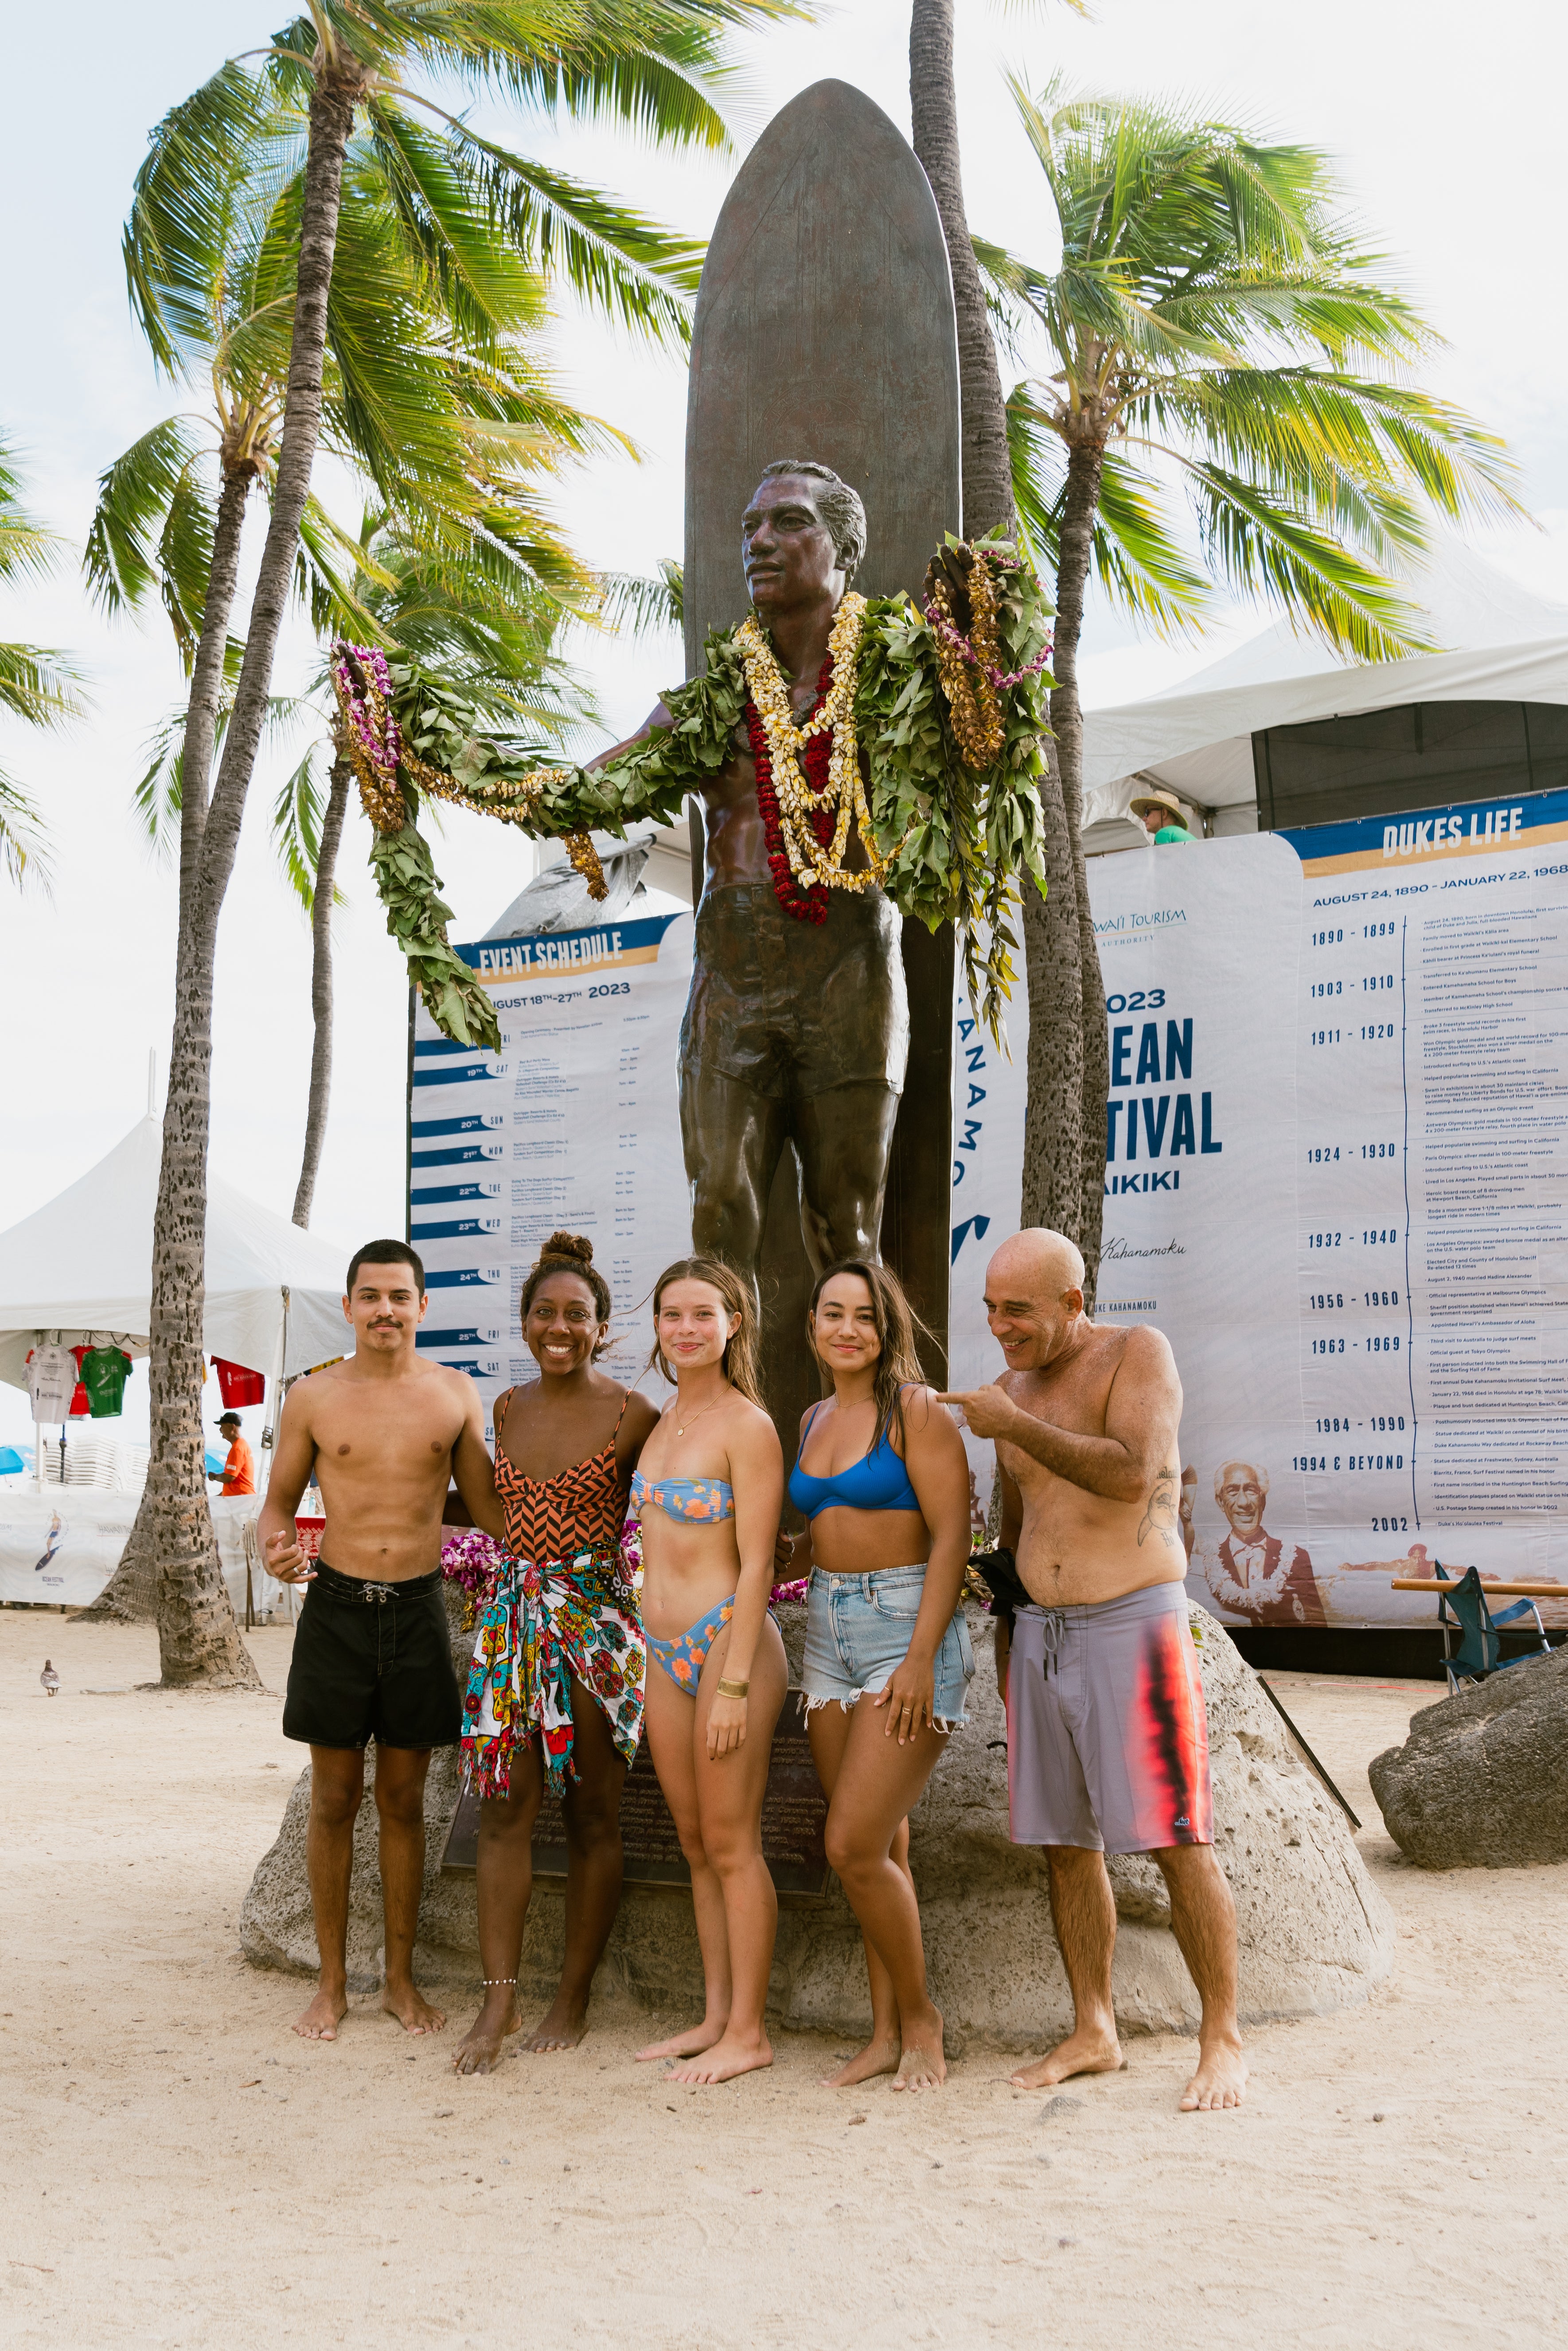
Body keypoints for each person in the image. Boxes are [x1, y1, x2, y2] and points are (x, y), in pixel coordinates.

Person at [939, 1228, 1246, 2113]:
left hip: (1133, 1623)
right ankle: (1093, 2027)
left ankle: (1221, 2035)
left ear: (1073, 1304)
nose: (1001, 1327)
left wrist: (1014, 1423)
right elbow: (1015, 1528)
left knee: (1173, 1835)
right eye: (991, 1309)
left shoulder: (1134, 1354)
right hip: (1040, 1631)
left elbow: (1131, 1472)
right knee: (1061, 1841)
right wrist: (1006, 1641)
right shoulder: (1006, 1392)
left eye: (1019, 1311)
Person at [591, 463, 906, 1293]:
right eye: (747, 527)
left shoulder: (889, 677)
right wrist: (459, 764)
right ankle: (722, 1420)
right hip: (732, 976)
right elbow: (598, 786)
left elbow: (977, 776)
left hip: (848, 969)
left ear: (841, 547)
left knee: (847, 1225)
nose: (758, 543)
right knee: (719, 1209)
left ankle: (875, 1418)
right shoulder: (714, 698)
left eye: (786, 523)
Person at [257, 1239, 503, 2043]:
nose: (386, 1310)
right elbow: (278, 1507)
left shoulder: (454, 1394)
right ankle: (332, 1983)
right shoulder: (313, 1397)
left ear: (423, 1306)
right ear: (351, 1305)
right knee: (333, 1798)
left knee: (402, 1801)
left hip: (418, 1609)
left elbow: (495, 1509)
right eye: (371, 1296)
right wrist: (277, 1544)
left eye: (401, 1296)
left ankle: (398, 1978)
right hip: (335, 1609)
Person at [452, 1234, 659, 2074]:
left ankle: (571, 1993)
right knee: (504, 1808)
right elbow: (492, 1513)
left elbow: (681, 1505)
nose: (559, 1326)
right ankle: (498, 1995)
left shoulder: (633, 1414)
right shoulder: (502, 1410)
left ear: (603, 1327)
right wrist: (521, 1580)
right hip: (510, 1627)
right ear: (526, 1321)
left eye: (577, 1313)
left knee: (590, 1814)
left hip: (594, 1632)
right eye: (545, 1311)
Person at [784, 1260, 972, 2092]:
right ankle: (884, 2029)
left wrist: (922, 1655)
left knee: (850, 1843)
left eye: (864, 1314)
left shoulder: (917, 1411)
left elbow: (950, 1537)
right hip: (826, 1629)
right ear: (814, 1324)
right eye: (833, 1312)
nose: (847, 1328)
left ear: (886, 1326)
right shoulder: (811, 1415)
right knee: (879, 1842)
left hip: (904, 1627)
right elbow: (820, 1524)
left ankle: (923, 2016)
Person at [631, 1256, 787, 2084]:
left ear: (734, 1323)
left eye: (703, 1313)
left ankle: (751, 2030)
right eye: (671, 1313)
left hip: (730, 1647)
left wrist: (729, 1682)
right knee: (694, 1842)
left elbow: (757, 1562)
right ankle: (716, 2013)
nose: (686, 1327)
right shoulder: (663, 1422)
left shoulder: (745, 1423)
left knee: (732, 1841)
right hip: (662, 1655)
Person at [1183, 1460, 1325, 1627]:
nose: (1243, 1503)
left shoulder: (1296, 1557)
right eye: (1233, 1491)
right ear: (1220, 1502)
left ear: (1263, 1500)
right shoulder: (1207, 1563)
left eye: (1251, 1490)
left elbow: (1317, 1625)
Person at [208, 1411, 256, 1497]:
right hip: (240, 1499)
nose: (220, 1430)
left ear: (232, 1427)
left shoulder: (238, 1448)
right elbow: (236, 1481)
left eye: (222, 1426)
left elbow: (229, 1477)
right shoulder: (241, 1445)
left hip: (241, 1500)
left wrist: (214, 1477)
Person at [1130, 787, 1196, 844]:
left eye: (1147, 812)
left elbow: (1161, 859)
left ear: (1164, 813)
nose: (1144, 819)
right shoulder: (1180, 833)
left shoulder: (1164, 833)